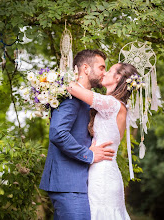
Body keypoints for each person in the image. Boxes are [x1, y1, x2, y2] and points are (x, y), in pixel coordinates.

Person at [39, 49, 115, 220]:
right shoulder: (70, 97)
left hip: (76, 182)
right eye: (102, 67)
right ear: (86, 68)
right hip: (67, 182)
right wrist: (89, 154)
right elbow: (58, 133)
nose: (104, 72)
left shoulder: (83, 98)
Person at [67, 62, 139, 219]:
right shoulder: (118, 106)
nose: (105, 73)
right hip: (106, 170)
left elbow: (71, 87)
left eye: (110, 70)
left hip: (102, 175)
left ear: (118, 78)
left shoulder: (112, 104)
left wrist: (52, 80)